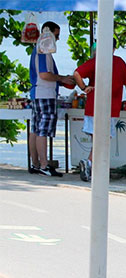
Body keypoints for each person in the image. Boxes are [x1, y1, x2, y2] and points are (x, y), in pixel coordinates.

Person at [73, 38, 126, 182]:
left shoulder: (96, 61)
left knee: (97, 139)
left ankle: (94, 167)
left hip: (92, 107)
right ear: (114, 48)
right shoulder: (119, 62)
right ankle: (91, 164)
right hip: (109, 108)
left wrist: (84, 88)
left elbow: (76, 73)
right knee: (102, 140)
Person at [28, 21, 75, 177]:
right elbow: (44, 75)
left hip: (37, 94)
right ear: (48, 33)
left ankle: (35, 164)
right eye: (57, 35)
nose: (58, 39)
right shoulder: (43, 51)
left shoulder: (37, 49)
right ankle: (43, 164)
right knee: (42, 130)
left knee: (35, 129)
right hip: (45, 94)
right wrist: (62, 78)